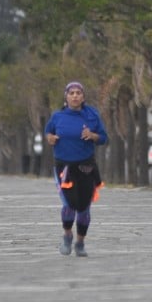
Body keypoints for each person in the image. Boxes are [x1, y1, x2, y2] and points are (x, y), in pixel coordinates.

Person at [45, 81, 108, 257]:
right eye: (71, 93)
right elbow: (48, 132)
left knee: (84, 207)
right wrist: (50, 137)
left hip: (86, 166)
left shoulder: (92, 115)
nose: (75, 96)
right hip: (64, 167)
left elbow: (103, 138)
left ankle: (80, 242)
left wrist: (93, 135)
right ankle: (67, 235)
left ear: (83, 97)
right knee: (69, 203)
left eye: (78, 93)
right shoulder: (57, 116)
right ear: (66, 97)